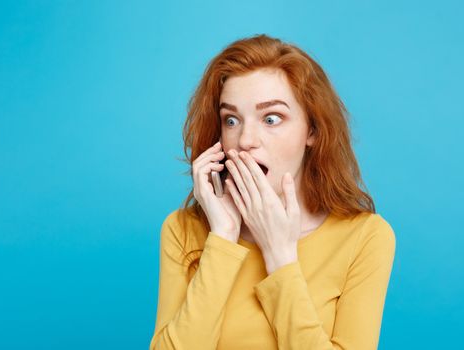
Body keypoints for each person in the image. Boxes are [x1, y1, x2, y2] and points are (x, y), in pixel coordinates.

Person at [149, 34, 396, 350]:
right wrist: (223, 238)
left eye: (271, 118)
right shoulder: (182, 230)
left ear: (312, 131)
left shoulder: (366, 237)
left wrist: (280, 255)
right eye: (232, 119)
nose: (246, 138)